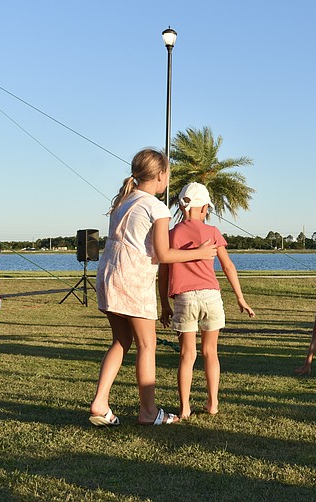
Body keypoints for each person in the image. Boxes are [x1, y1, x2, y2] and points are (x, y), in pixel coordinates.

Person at [90, 148, 217, 427]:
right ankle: (148, 412)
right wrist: (201, 253)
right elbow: (164, 254)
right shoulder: (156, 207)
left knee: (121, 341)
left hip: (108, 276)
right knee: (147, 346)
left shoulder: (122, 202)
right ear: (161, 175)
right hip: (133, 279)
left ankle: (100, 402)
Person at [158, 182, 256, 418]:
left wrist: (164, 304)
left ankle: (185, 408)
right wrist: (240, 298)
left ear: (182, 207)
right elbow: (228, 266)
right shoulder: (212, 232)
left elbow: (163, 273)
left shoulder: (170, 235)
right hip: (211, 297)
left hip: (185, 299)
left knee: (186, 355)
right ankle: (212, 403)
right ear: (204, 209)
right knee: (210, 351)